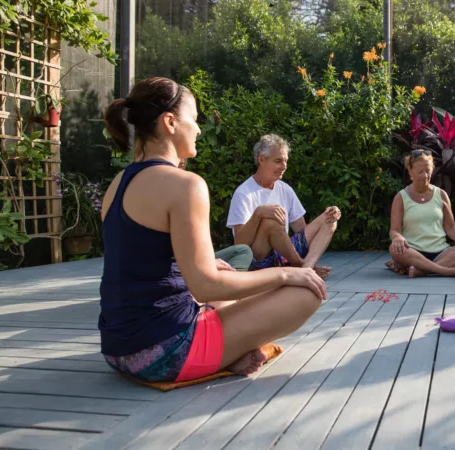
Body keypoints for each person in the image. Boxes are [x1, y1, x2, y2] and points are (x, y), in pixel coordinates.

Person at [99, 77, 326, 383]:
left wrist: (198, 270)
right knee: (305, 291)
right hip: (165, 351)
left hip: (117, 348)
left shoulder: (118, 183)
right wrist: (287, 274)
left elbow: (141, 265)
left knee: (230, 286)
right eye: (194, 119)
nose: (199, 128)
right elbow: (206, 288)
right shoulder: (185, 185)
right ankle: (226, 354)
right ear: (169, 122)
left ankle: (229, 353)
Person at [226, 134, 340, 279]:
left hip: (284, 255)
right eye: (278, 161)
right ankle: (302, 267)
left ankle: (307, 268)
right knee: (270, 222)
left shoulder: (285, 189)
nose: (284, 166)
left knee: (329, 219)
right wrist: (259, 213)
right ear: (261, 159)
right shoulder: (243, 193)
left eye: (285, 161)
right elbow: (240, 244)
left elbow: (301, 231)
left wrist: (331, 213)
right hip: (259, 261)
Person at [387, 150, 455, 278]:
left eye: (428, 171)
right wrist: (397, 238)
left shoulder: (441, 194)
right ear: (410, 171)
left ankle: (422, 270)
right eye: (420, 172)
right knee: (394, 249)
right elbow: (394, 230)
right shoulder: (401, 197)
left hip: (440, 252)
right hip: (413, 252)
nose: (425, 175)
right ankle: (448, 271)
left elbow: (450, 227)